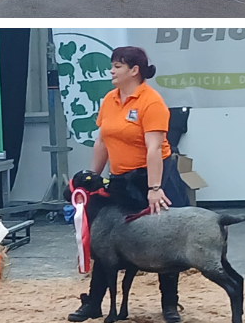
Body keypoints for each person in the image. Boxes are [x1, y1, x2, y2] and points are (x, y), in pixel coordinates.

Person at [67, 47, 191, 323]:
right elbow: (102, 141)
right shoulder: (109, 99)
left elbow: (155, 148)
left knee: (163, 239)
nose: (111, 71)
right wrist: (91, 180)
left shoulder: (151, 102)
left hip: (155, 176)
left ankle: (170, 305)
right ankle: (94, 303)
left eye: (117, 66)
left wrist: (155, 188)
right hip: (122, 180)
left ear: (134, 71)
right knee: (104, 240)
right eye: (112, 66)